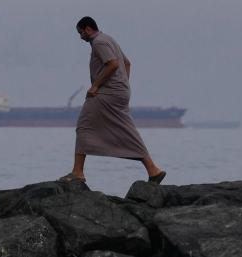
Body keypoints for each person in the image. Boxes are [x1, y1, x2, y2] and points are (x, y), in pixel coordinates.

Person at [59, 16, 166, 184]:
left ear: (88, 29)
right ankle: (153, 170)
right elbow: (127, 63)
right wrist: (123, 85)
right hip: (120, 92)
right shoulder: (109, 38)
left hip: (106, 93)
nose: (80, 37)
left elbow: (113, 64)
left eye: (81, 33)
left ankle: (77, 172)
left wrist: (96, 86)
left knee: (84, 125)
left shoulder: (98, 42)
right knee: (126, 130)